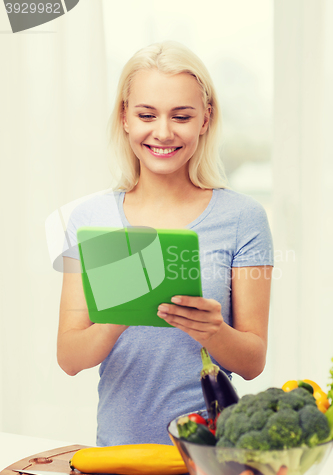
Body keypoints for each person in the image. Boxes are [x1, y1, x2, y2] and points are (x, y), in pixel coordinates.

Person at [57, 41, 273, 446]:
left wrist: (212, 330)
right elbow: (69, 358)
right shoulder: (91, 220)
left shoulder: (244, 218)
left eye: (181, 116)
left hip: (211, 456)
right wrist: (121, 312)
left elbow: (252, 363)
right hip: (120, 453)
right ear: (124, 117)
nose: (163, 132)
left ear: (205, 119)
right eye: (146, 114)